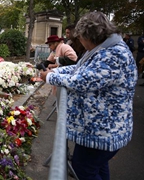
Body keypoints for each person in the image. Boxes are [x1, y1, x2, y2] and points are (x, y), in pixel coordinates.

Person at [40, 11, 137, 180]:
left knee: (84, 168)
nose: (81, 42)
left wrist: (49, 76)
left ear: (89, 35)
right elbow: (80, 69)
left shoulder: (114, 54)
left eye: (81, 38)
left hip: (104, 129)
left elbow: (84, 81)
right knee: (97, 167)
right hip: (99, 128)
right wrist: (56, 70)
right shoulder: (103, 49)